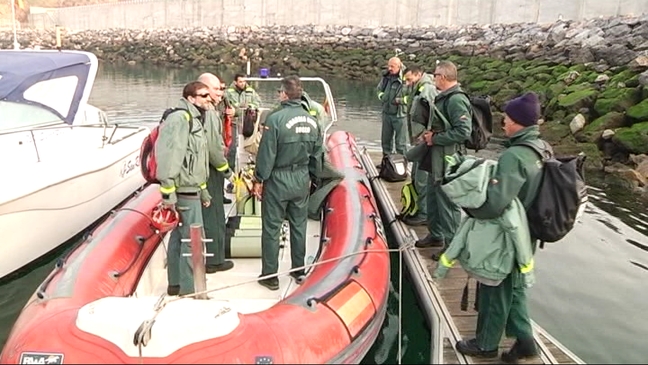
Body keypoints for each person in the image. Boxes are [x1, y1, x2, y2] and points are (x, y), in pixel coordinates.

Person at [455, 92, 544, 363]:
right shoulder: (541, 147)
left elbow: (495, 204)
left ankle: (485, 345)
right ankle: (526, 341)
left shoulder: (514, 156)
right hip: (528, 233)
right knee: (514, 288)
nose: (503, 122)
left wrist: (469, 207)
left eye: (506, 118)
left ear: (518, 121)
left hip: (506, 237)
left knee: (495, 290)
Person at [251, 75, 323, 291]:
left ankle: (270, 276)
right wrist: (313, 178)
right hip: (301, 179)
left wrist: (258, 179)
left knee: (272, 227)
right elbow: (318, 155)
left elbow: (266, 155)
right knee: (299, 226)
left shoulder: (275, 119)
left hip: (278, 179)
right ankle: (299, 270)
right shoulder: (313, 120)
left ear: (283, 94)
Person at [156, 81, 214, 296]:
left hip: (191, 189)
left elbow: (195, 160)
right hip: (184, 192)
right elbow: (171, 157)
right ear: (191, 99)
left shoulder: (194, 119)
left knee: (180, 237)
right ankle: (191, 291)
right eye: (204, 95)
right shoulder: (181, 119)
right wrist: (168, 193)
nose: (209, 99)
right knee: (192, 241)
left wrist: (204, 189)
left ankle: (176, 284)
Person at [415, 61, 471, 253]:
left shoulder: (456, 100)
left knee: (447, 202)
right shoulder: (443, 97)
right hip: (436, 157)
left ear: (444, 77)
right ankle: (436, 234)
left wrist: (436, 138)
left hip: (448, 159)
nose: (433, 77)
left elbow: (463, 131)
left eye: (436, 74)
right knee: (433, 197)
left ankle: (451, 245)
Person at [197, 72, 234, 273]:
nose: (221, 92)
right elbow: (214, 148)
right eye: (217, 89)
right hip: (210, 173)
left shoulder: (200, 110)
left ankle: (212, 255)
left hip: (202, 170)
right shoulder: (209, 113)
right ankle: (215, 260)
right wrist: (228, 172)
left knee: (211, 215)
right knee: (214, 215)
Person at [401, 65, 438, 227]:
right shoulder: (416, 88)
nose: (407, 83)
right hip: (418, 140)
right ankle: (417, 209)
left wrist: (427, 136)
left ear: (418, 75)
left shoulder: (427, 90)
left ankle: (423, 214)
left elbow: (432, 115)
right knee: (416, 177)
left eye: (409, 79)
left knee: (422, 179)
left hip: (424, 142)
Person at [224, 73, 263, 169]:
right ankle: (231, 170)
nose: (243, 83)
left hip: (247, 124)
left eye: (244, 81)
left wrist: (244, 108)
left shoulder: (251, 92)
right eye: (240, 81)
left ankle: (247, 168)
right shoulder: (228, 93)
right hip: (232, 124)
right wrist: (239, 108)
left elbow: (258, 103)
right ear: (235, 82)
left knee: (250, 148)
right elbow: (227, 108)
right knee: (232, 150)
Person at [376, 57, 407, 156]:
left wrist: (401, 101)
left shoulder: (406, 79)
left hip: (400, 115)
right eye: (388, 66)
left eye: (392, 66)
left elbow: (412, 96)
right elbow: (378, 89)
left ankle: (402, 166)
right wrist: (382, 97)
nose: (389, 68)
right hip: (386, 113)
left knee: (401, 144)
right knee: (385, 141)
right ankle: (386, 162)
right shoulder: (386, 77)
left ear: (399, 66)